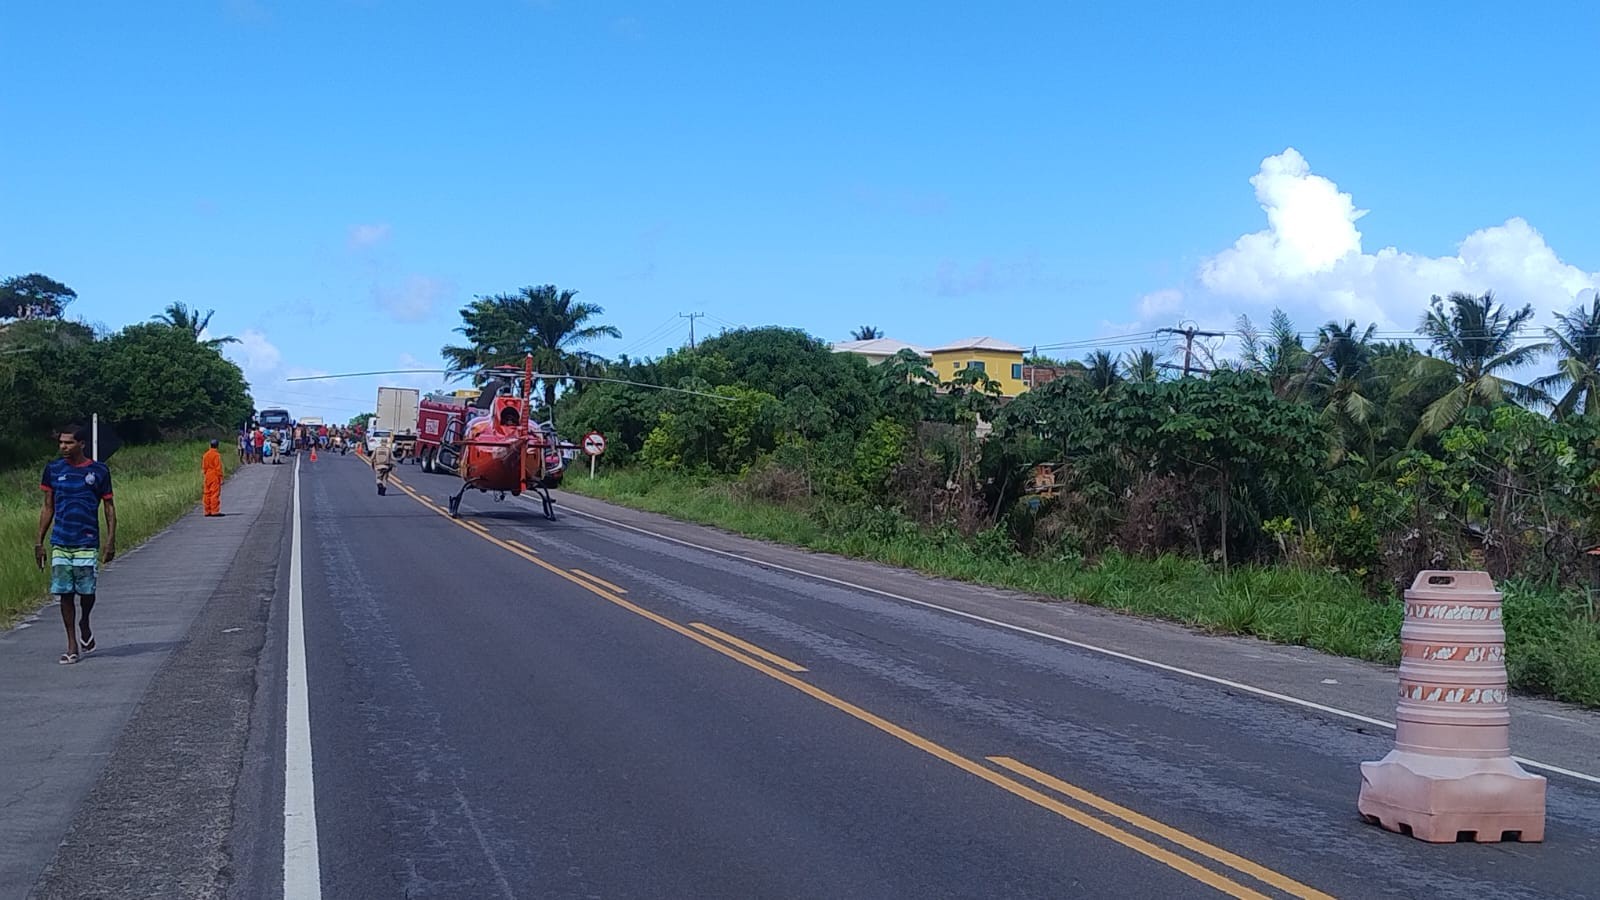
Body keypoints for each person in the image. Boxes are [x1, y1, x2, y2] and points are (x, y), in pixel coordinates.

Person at [35, 424, 116, 665]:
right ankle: (71, 644)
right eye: (61, 442)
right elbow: (48, 506)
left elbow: (109, 508)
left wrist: (110, 541)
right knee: (65, 593)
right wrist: (39, 541)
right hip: (61, 540)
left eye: (68, 442)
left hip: (87, 540)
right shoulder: (53, 470)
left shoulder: (99, 471)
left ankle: (85, 622)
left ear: (81, 444)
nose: (63, 447)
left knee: (87, 592)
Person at [202, 439, 224, 515]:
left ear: (210, 445)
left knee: (207, 493)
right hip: (214, 475)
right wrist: (220, 477)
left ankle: (207, 511)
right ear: (217, 446)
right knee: (214, 493)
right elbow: (218, 467)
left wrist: (205, 474)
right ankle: (214, 511)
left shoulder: (205, 455)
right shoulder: (216, 455)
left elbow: (204, 467)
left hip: (207, 475)